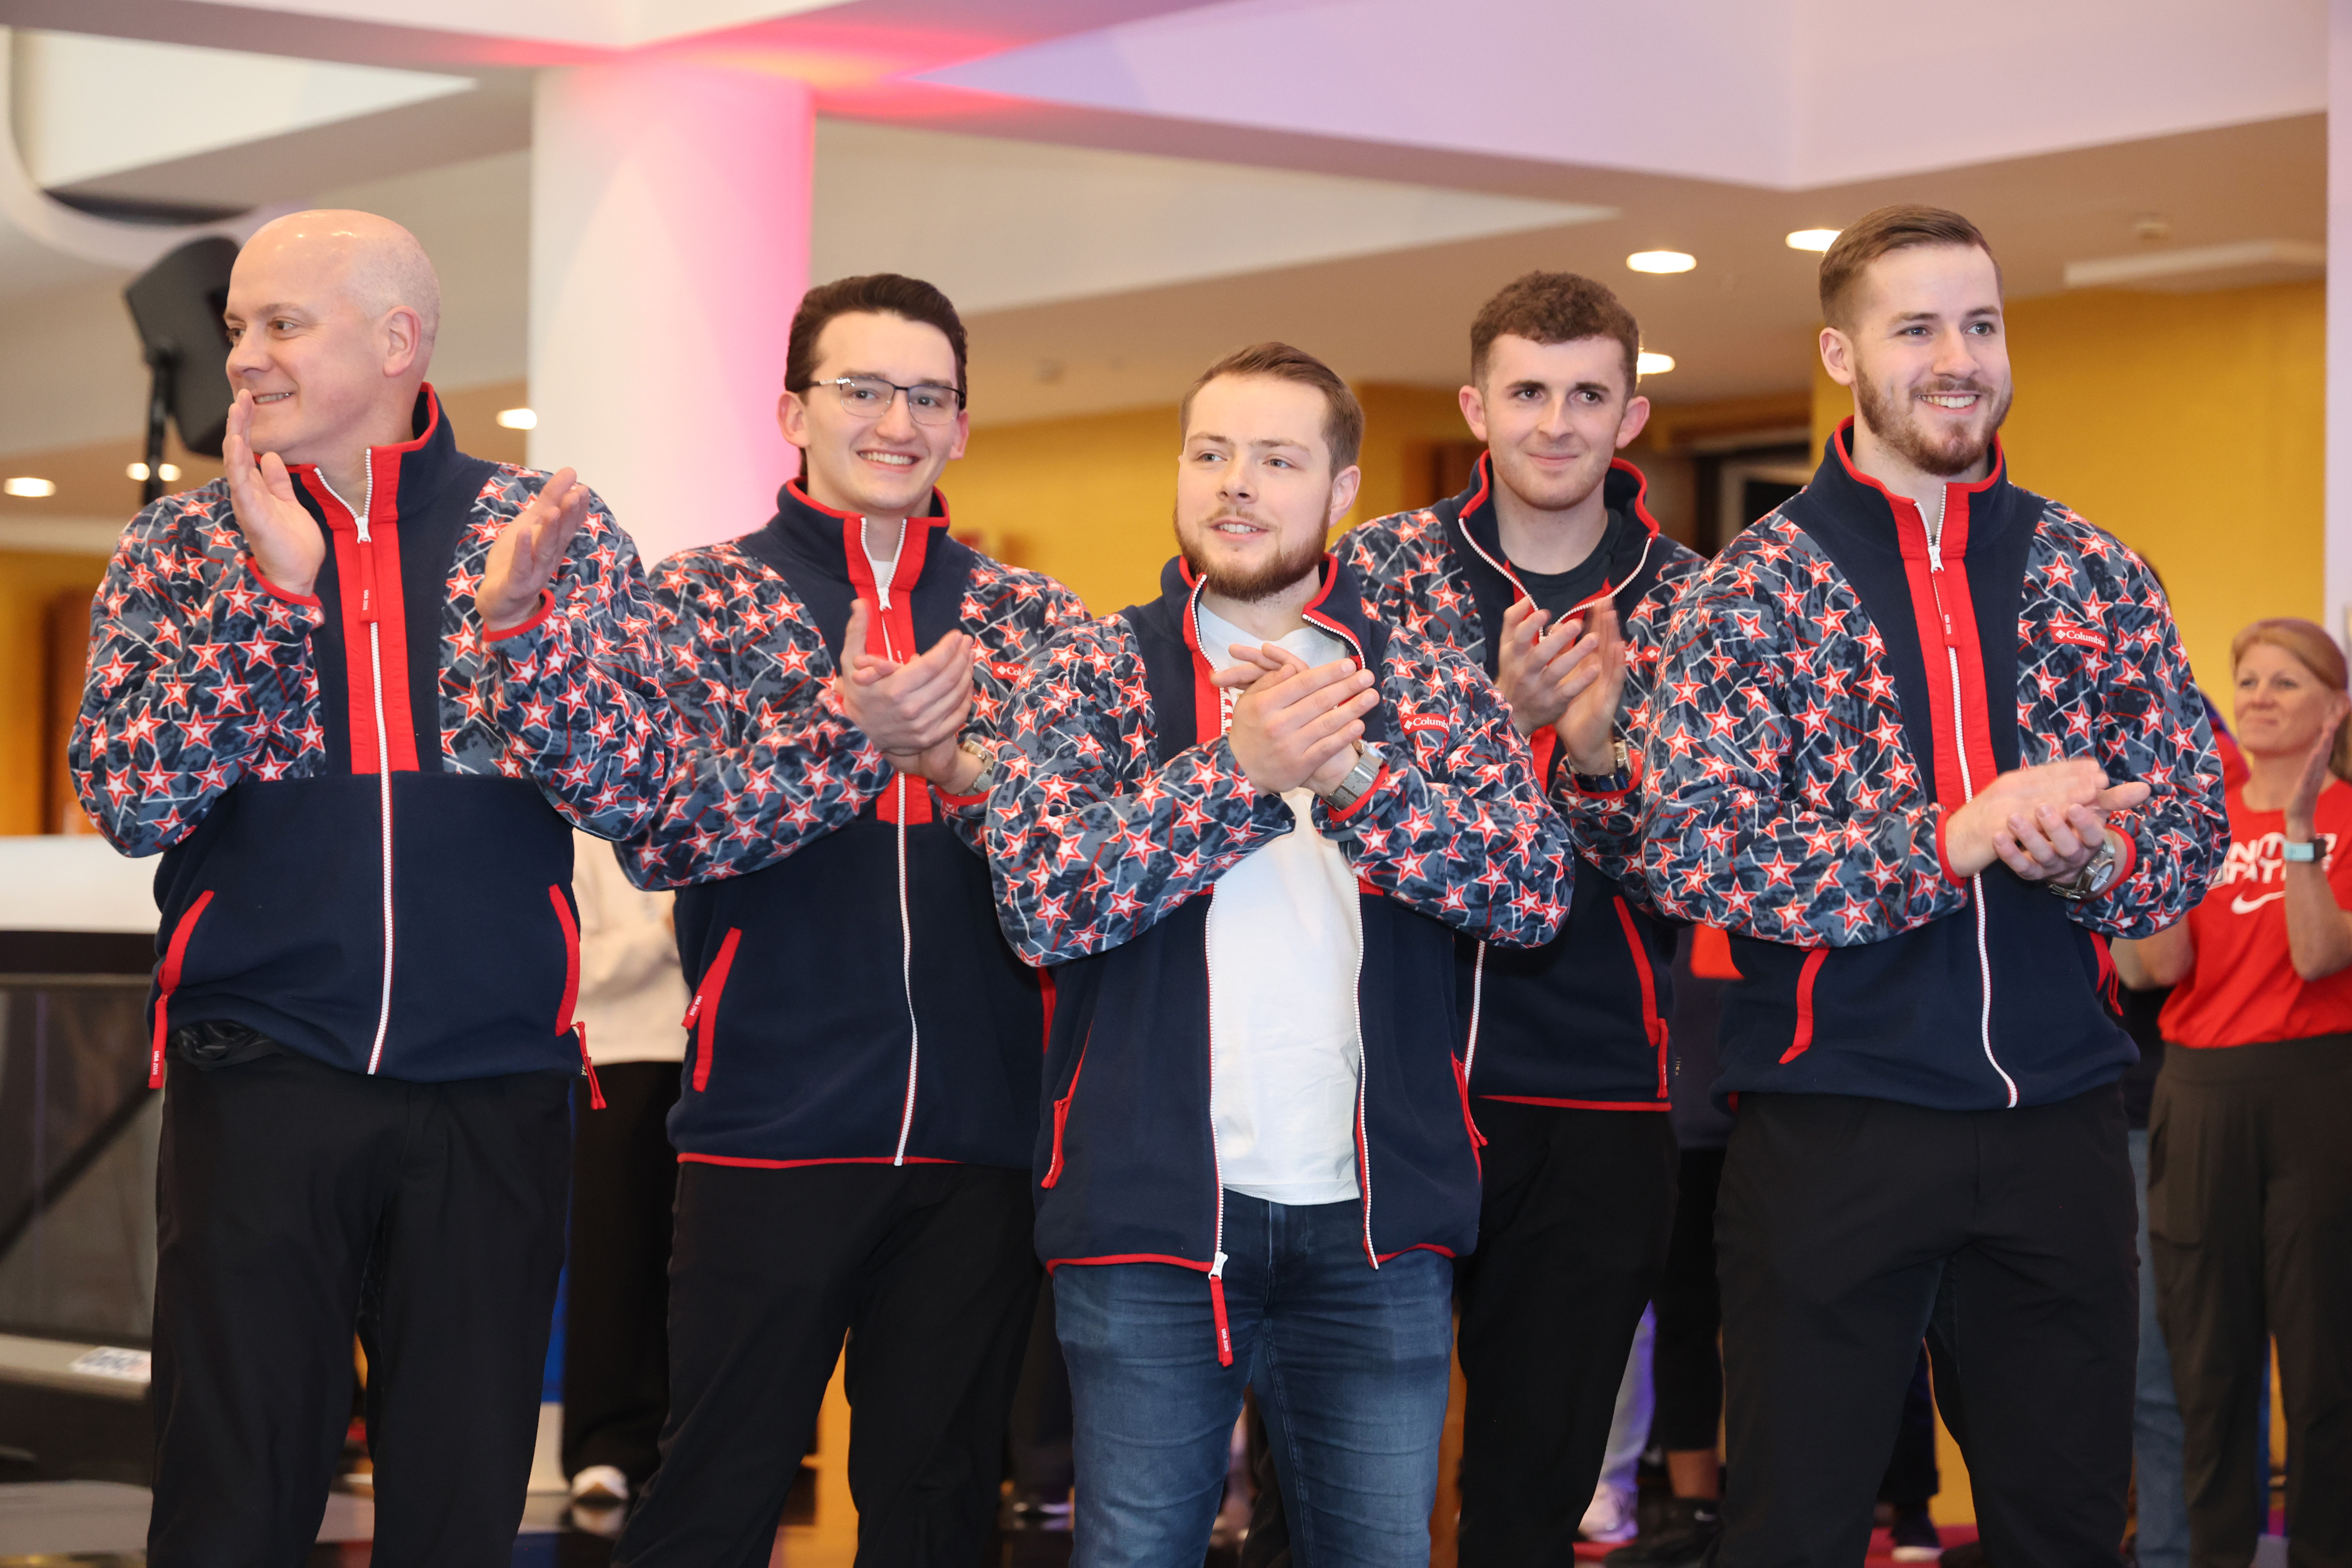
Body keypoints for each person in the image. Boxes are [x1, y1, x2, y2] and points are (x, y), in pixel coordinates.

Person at [71, 210, 672, 1568]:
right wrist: (269, 607)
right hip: (260, 1073)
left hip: (498, 1084)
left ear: (399, 338)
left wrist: (524, 639)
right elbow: (126, 798)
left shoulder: (544, 533)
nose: (246, 361)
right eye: (237, 330)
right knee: (230, 1504)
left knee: (459, 1511)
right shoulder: (180, 549)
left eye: (283, 324)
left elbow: (643, 799)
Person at [1640, 204, 2227, 1566]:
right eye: (1918, 329)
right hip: (1834, 1129)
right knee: (1798, 1527)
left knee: (2071, 1526)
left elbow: (2186, 830)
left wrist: (2105, 859)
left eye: (1981, 323)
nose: (1957, 357)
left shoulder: (2098, 570)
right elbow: (1694, 845)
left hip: (2060, 1130)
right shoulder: (1757, 590)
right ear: (1843, 354)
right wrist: (1945, 842)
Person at [984, 341, 1573, 1566]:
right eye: (1210, 454)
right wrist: (1237, 778)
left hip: (1378, 1226)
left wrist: (1354, 778)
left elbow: (1531, 896)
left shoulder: (1424, 681)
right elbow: (1043, 903)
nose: (1236, 484)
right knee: (1137, 1548)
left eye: (1276, 458)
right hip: (1147, 1223)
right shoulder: (1092, 669)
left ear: (1341, 491)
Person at [611, 273, 1089, 1568]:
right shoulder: (699, 599)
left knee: (935, 1502)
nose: (898, 419)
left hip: (982, 1135)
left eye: (928, 395)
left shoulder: (1035, 621)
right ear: (793, 409)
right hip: (767, 1125)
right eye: (864, 388)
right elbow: (667, 831)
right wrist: (849, 744)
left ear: (962, 426)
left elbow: (1083, 875)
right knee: (715, 1490)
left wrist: (969, 776)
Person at [1333, 269, 1697, 1566]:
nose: (1557, 422)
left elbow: (1709, 878)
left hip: (1598, 1099)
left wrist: (1598, 761)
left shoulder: (1699, 604)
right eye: (1530, 392)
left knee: (1530, 1510)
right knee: (1332, 1497)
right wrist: (1498, 724)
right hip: (1380, 1088)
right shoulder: (1373, 575)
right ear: (1475, 406)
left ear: (1632, 415)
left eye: (1587, 394)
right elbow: (1318, 814)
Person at [2114, 617, 2352, 1568]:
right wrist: (2126, 866)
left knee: (2323, 1360)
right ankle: (2217, 1554)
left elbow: (2318, 952)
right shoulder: (2200, 815)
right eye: (2246, 679)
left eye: (2285, 682)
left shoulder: (2344, 819)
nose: (2256, 696)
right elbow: (2152, 969)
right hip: (2200, 1093)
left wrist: (2296, 830)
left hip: (2316, 1092)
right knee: (2208, 1362)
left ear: (2335, 708)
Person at [560, 830, 690, 1516]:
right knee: (615, 1256)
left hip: (719, 1055)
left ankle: (688, 1441)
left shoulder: (715, 793)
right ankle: (604, 1446)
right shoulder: (584, 829)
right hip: (617, 1058)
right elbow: (570, 964)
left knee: (704, 1264)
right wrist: (669, 930)